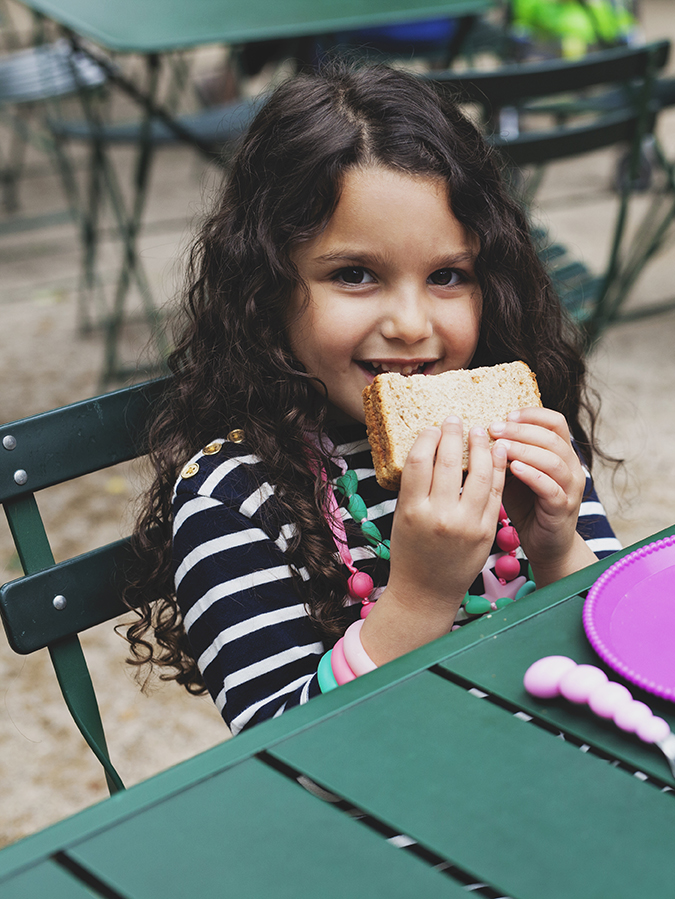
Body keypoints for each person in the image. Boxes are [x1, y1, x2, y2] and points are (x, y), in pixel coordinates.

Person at [123, 63, 621, 735]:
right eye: (355, 274)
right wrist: (421, 594)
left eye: (448, 275)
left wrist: (559, 548)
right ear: (267, 286)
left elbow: (625, 656)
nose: (412, 323)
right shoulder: (234, 498)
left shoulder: (521, 429)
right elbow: (290, 757)